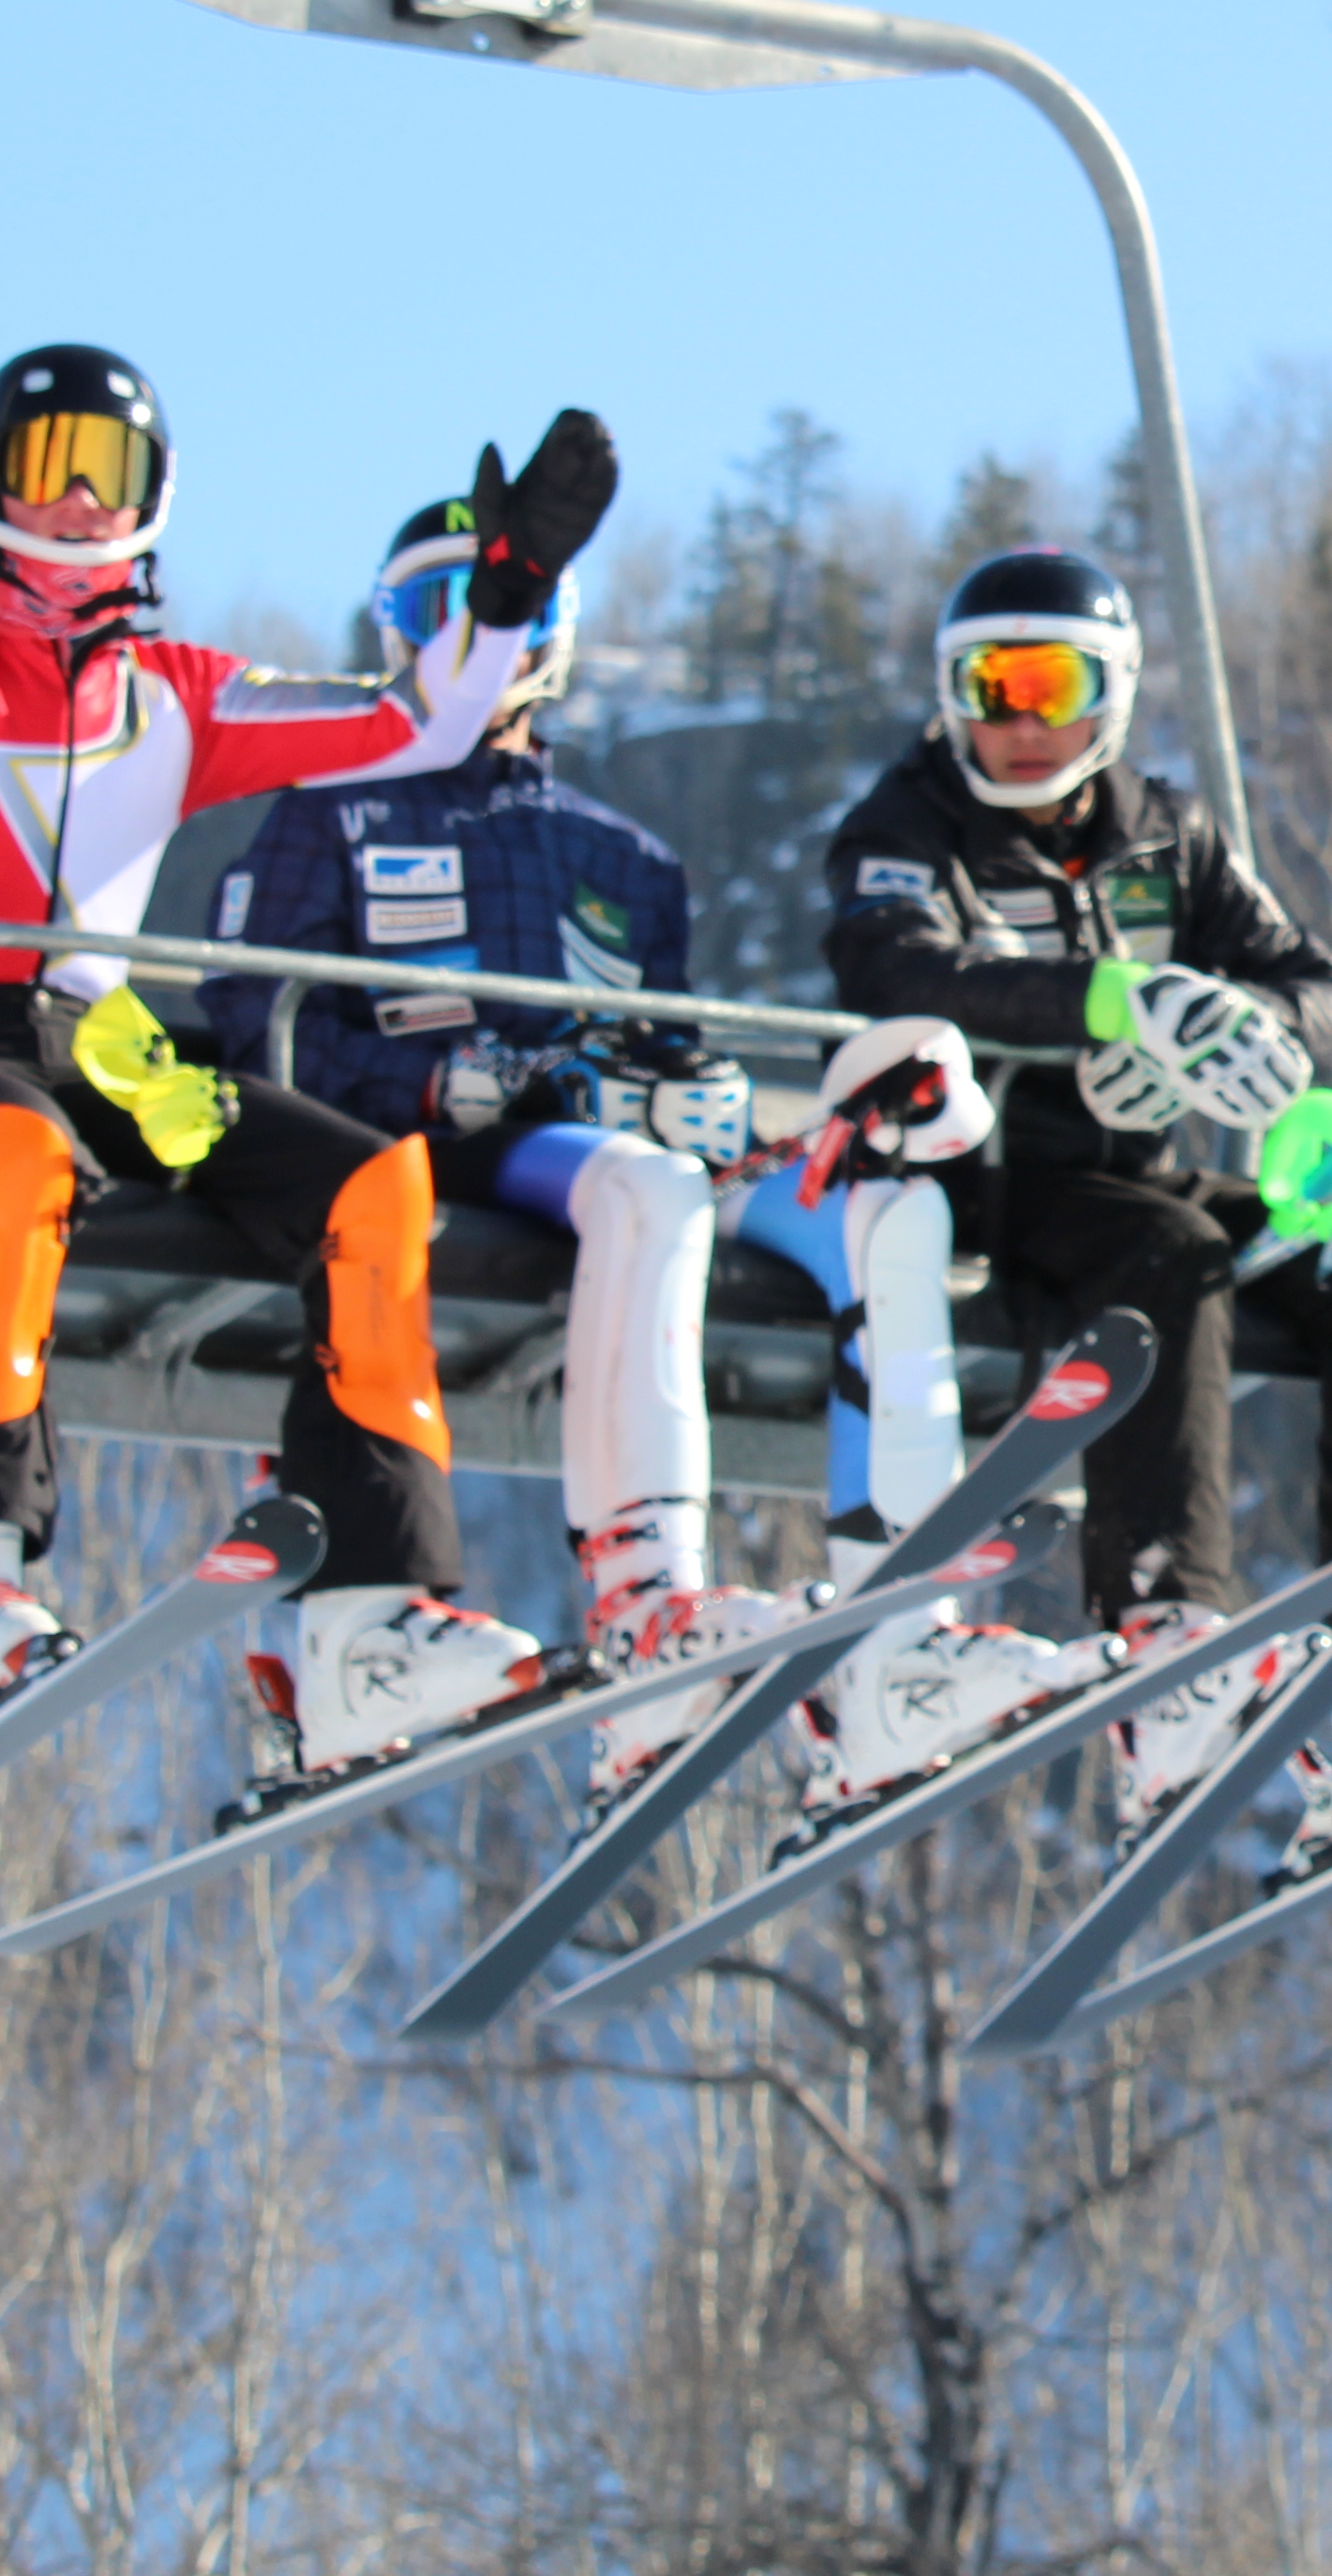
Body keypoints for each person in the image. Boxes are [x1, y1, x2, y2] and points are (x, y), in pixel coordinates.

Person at [0, 261, 614, 1793]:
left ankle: (365, 1617)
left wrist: (504, 594)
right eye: (46, 468)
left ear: (155, 494)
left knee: (373, 1186)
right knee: (10, 1156)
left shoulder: (176, 693)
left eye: (112, 472)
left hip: (105, 1055)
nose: (80, 504)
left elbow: (418, 725)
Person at [201, 500, 1106, 1824]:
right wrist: (435, 1080)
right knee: (647, 1185)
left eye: (512, 607)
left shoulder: (621, 857)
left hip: (600, 1135)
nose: (476, 637)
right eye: (429, 609)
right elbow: (252, 1024)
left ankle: (889, 1640)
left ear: (559, 637)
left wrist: (710, 1094)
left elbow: (665, 1041)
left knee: (885, 1214)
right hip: (438, 1146)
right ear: (386, 635)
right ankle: (645, 1599)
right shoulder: (325, 814)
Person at [816, 545, 1332, 1871]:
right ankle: (1165, 1632)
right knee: (1174, 1250)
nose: (1016, 723)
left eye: (1048, 684)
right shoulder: (907, 827)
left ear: (1112, 693)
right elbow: (892, 965)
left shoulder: (1168, 837)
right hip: (985, 1189)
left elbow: (1331, 993)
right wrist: (1108, 1002)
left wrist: (1261, 1029)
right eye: (984, 687)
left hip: (1132, 1179)